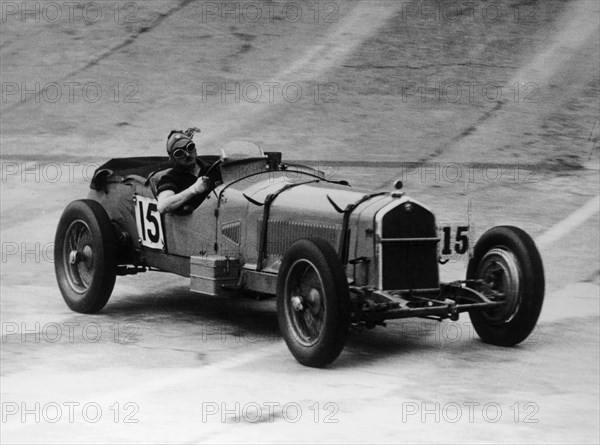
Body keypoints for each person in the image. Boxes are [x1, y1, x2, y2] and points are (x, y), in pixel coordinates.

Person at [156, 129, 215, 214]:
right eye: (179, 153)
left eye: (190, 147)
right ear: (173, 158)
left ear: (195, 150)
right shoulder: (169, 178)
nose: (187, 154)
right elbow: (162, 207)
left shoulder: (213, 167)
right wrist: (194, 190)